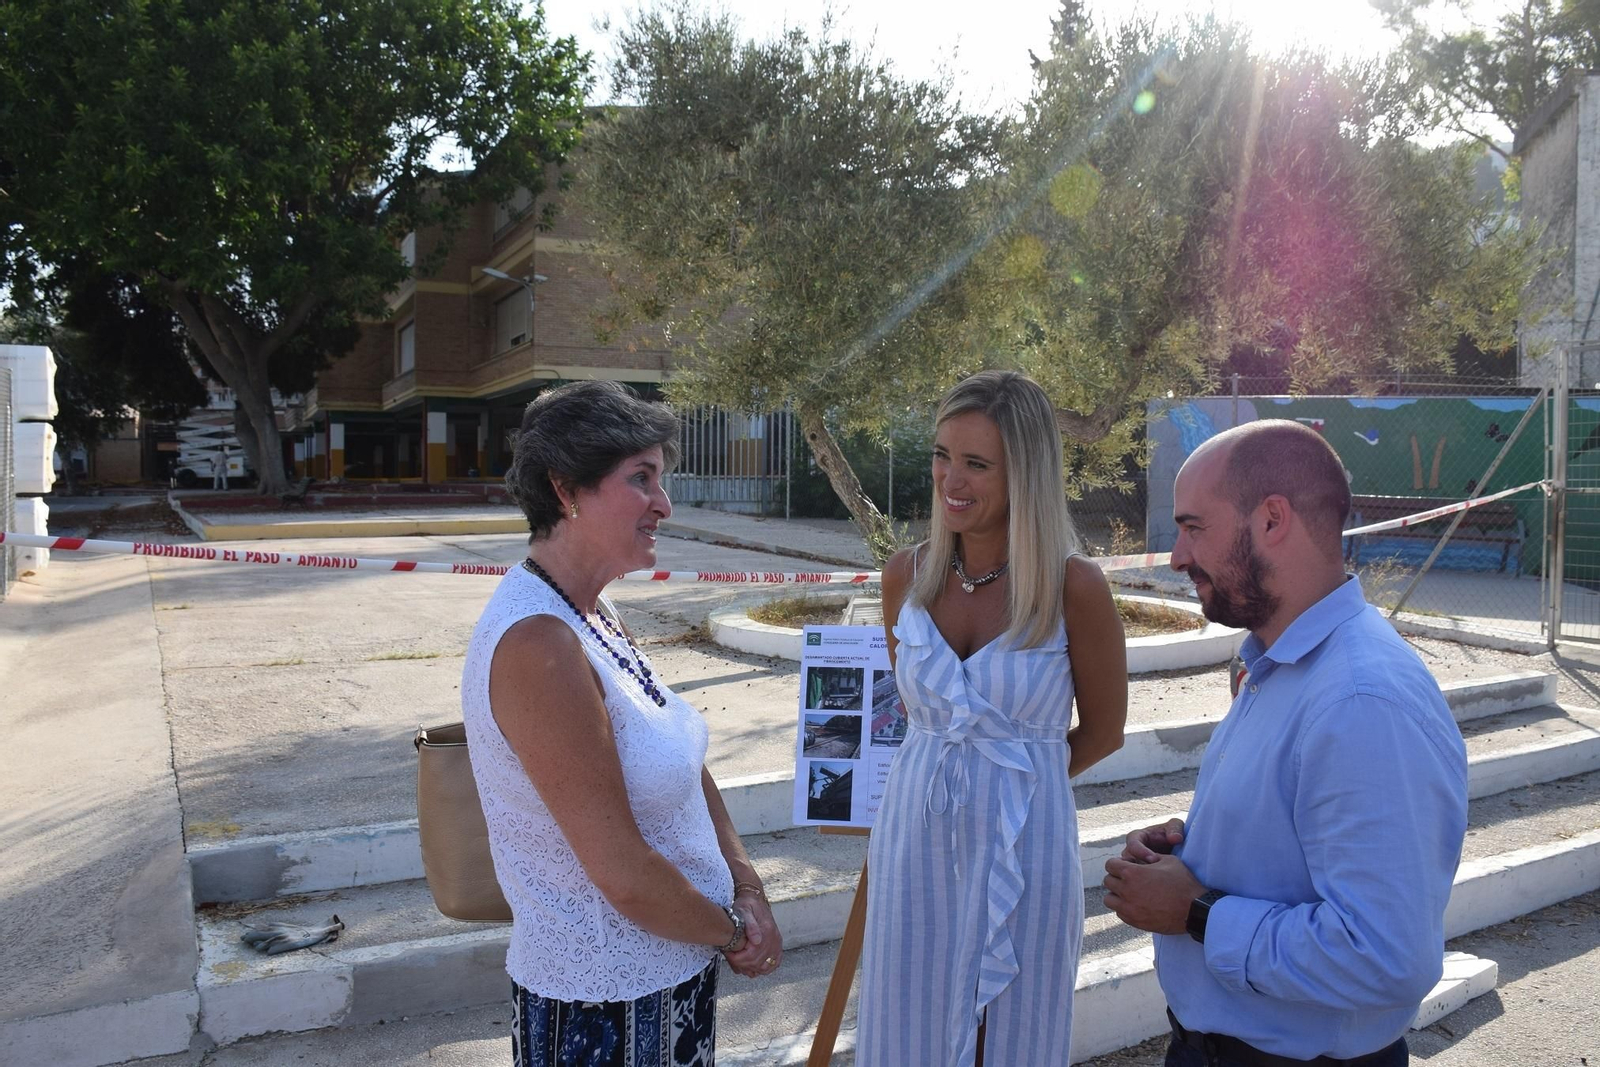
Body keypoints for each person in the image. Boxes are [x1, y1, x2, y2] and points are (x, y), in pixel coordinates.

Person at [1103, 420, 1469, 1067]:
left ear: (1272, 519)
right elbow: (1298, 841)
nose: (1177, 557)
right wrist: (1196, 852)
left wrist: (1197, 910)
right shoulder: (1283, 664)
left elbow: (1386, 954)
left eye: (1194, 527)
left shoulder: (1361, 699)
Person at [460, 380, 782, 1067]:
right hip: (603, 1012)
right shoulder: (538, 644)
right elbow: (624, 872)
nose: (664, 504)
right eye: (642, 479)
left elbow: (684, 762)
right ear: (566, 487)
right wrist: (732, 931)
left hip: (668, 978)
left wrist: (746, 886)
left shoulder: (592, 615)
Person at [857, 370, 1129, 1066]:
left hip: (1024, 840)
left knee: (1011, 1031)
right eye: (942, 455)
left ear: (1025, 473)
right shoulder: (904, 578)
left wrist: (1014, 780)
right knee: (906, 1021)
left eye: (977, 463)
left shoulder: (1075, 588)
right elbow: (922, 711)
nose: (952, 478)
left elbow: (1104, 730)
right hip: (913, 838)